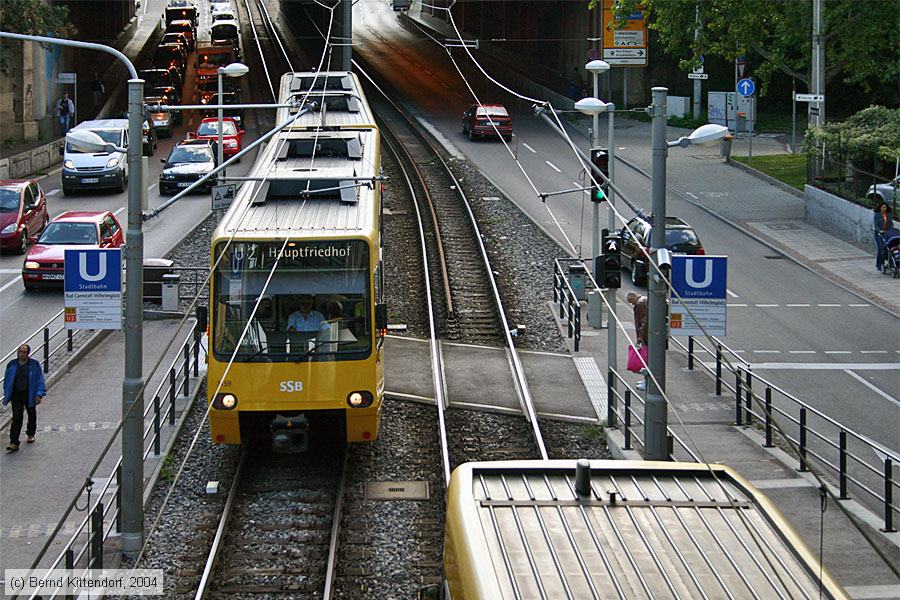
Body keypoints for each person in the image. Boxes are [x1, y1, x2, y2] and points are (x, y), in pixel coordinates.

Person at [3, 344, 47, 452]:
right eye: (20, 352)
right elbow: (7, 380)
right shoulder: (12, 364)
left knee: (31, 414)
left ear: (28, 353)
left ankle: (30, 433)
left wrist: (39, 394)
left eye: (24, 352)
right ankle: (14, 442)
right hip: (16, 395)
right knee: (17, 418)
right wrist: (7, 393)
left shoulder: (34, 365)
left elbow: (39, 380)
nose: (22, 354)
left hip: (29, 393)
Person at [625, 291, 648, 389]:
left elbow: (644, 322)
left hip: (646, 336)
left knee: (646, 359)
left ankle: (648, 382)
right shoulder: (644, 300)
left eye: (631, 301)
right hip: (647, 335)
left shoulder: (640, 304)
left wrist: (640, 336)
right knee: (647, 358)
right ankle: (646, 380)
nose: (631, 304)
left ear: (633, 297)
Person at [873, 201, 893, 271]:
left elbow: (891, 224)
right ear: (880, 208)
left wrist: (891, 230)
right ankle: (879, 264)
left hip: (886, 233)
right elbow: (876, 225)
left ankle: (890, 263)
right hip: (879, 234)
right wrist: (879, 231)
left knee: (889, 247)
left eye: (885, 207)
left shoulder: (889, 215)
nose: (884, 208)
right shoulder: (877, 215)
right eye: (883, 207)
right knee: (880, 248)